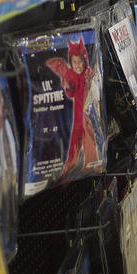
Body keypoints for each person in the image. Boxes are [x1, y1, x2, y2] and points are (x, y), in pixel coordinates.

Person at [46, 39, 99, 176]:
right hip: (77, 112)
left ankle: (91, 164)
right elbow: (71, 93)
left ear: (85, 61)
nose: (77, 65)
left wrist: (88, 81)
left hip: (85, 112)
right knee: (75, 138)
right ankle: (71, 162)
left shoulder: (87, 75)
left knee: (88, 138)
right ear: (70, 62)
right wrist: (68, 87)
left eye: (80, 61)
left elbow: (90, 90)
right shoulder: (72, 76)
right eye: (74, 62)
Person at [0, 82, 18, 248]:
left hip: (8, 173)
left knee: (8, 206)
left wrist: (14, 170)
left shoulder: (5, 122)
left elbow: (12, 149)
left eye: (0, 99)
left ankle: (8, 239)